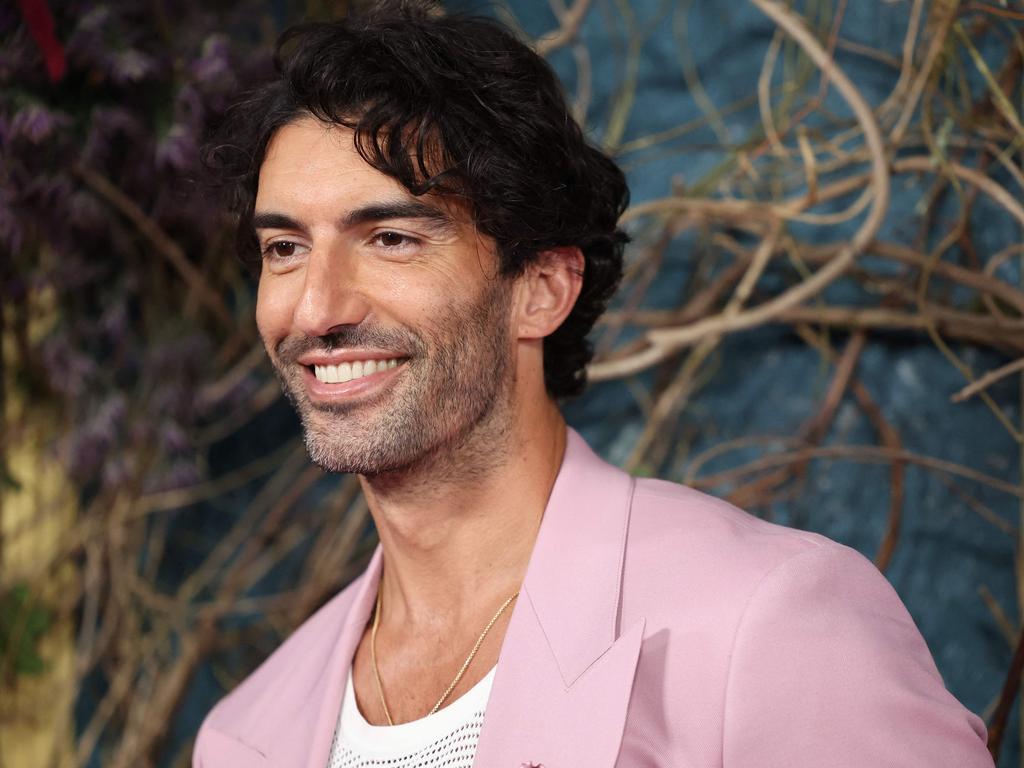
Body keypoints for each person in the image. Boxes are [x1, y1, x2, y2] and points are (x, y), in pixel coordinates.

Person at [194, 3, 993, 766]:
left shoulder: (771, 624)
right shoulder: (246, 733)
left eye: (392, 238)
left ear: (541, 288)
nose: (318, 308)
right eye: (285, 249)